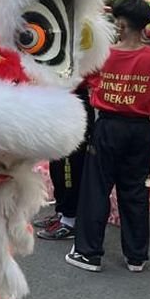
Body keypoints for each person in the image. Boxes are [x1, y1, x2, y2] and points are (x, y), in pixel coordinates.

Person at [67, 0, 150, 274]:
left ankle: (88, 253)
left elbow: (83, 80)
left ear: (121, 23)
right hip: (142, 130)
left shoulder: (103, 54)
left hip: (109, 127)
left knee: (96, 189)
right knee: (136, 189)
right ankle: (136, 256)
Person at [36, 76, 97, 240]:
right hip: (58, 100)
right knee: (57, 166)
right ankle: (62, 212)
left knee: (69, 167)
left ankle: (70, 221)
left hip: (74, 101)